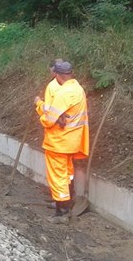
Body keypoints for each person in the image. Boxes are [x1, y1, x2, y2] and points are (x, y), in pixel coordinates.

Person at [34, 61, 89, 222]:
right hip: (72, 141)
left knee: (57, 177)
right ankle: (67, 200)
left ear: (57, 74)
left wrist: (39, 108)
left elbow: (49, 119)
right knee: (67, 174)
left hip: (58, 142)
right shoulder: (78, 89)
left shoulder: (63, 93)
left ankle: (62, 212)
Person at [35, 58, 75, 201]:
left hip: (58, 139)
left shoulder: (53, 87)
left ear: (55, 72)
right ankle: (66, 195)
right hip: (70, 138)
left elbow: (49, 112)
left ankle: (62, 202)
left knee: (58, 173)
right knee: (66, 170)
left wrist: (39, 104)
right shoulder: (74, 88)